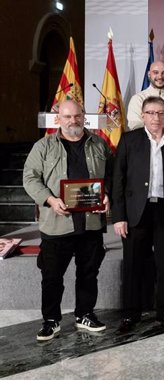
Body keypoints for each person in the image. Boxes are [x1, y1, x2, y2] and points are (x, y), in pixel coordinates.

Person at [23, 100, 112, 341]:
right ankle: (51, 321)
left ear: (83, 116)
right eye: (67, 117)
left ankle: (85, 314)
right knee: (52, 276)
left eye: (77, 116)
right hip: (56, 223)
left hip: (90, 222)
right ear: (58, 119)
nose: (73, 121)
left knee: (88, 272)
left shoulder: (99, 145)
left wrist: (107, 196)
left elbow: (112, 176)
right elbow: (30, 179)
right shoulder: (43, 147)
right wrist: (50, 200)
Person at [112, 96, 164, 333]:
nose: (155, 118)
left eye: (160, 113)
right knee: (133, 264)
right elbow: (118, 181)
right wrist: (118, 216)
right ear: (143, 115)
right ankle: (130, 314)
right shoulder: (128, 141)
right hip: (136, 213)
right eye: (151, 113)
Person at [127, 60, 164, 135]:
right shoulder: (137, 99)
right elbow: (135, 126)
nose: (160, 77)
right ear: (149, 74)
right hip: (145, 145)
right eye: (156, 72)